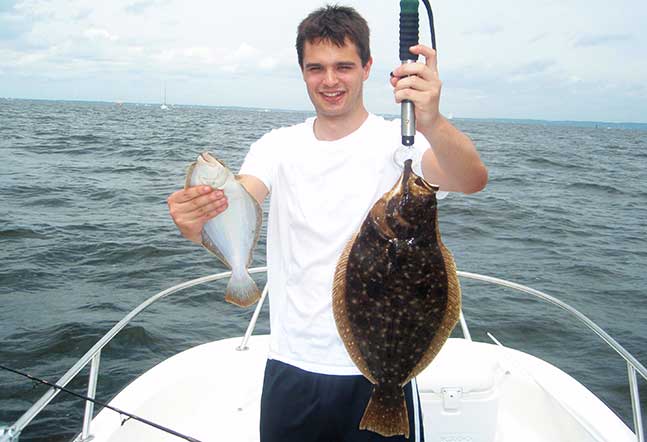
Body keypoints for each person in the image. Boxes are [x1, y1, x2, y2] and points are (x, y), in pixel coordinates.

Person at [167, 5, 487, 441]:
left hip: (380, 371)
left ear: (368, 67)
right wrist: (197, 218)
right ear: (301, 71)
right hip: (292, 363)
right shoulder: (276, 146)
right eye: (316, 68)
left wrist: (430, 119)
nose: (330, 80)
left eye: (344, 67)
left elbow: (471, 178)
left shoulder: (402, 142)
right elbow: (238, 203)